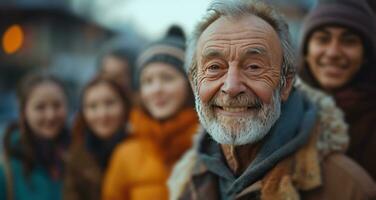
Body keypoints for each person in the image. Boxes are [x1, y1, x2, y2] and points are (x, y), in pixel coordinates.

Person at [168, 0, 376, 199]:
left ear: (285, 84)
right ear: (195, 84)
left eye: (254, 67)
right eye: (214, 67)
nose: (231, 87)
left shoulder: (349, 189)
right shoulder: (185, 180)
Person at [102, 26, 199, 200]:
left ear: (190, 85)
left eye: (167, 78)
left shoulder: (210, 145)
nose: (156, 89)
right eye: (147, 81)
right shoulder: (125, 154)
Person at [298, 0, 376, 180]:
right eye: (323, 39)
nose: (333, 52)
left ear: (365, 56)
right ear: (306, 51)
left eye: (349, 41)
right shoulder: (278, 111)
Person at [0, 73, 70, 200]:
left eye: (57, 105)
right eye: (40, 107)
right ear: (23, 112)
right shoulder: (7, 167)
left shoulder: (80, 157)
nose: (50, 115)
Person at [63, 76, 131, 200]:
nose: (102, 114)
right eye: (92, 106)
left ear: (124, 106)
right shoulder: (77, 156)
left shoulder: (142, 148)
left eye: (110, 103)